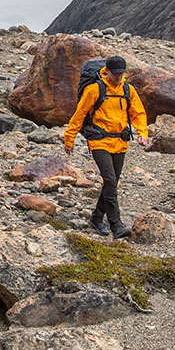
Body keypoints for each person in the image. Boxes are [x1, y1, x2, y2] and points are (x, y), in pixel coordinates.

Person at [64, 55, 149, 238]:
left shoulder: (128, 90)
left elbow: (138, 113)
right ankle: (116, 224)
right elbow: (79, 114)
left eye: (121, 74)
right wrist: (69, 138)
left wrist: (142, 133)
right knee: (110, 180)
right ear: (107, 72)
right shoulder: (94, 90)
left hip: (120, 142)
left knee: (112, 182)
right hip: (99, 141)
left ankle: (96, 218)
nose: (118, 77)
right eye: (115, 73)